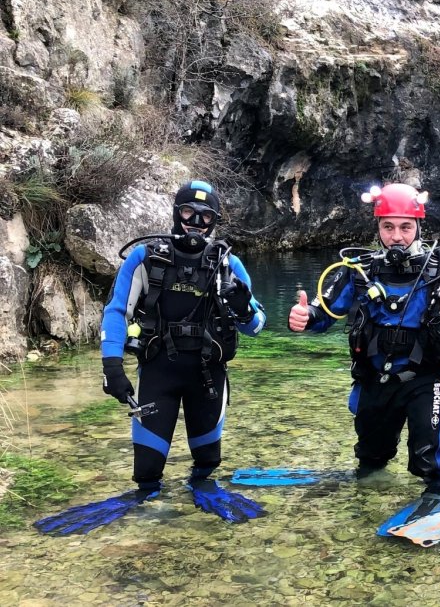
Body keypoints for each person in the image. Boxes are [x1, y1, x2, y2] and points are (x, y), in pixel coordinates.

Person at [36, 181, 268, 535]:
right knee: (146, 472)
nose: (196, 222)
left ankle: (202, 489)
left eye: (206, 216)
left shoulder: (228, 265)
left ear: (215, 222)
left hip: (207, 378)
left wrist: (241, 303)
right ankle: (144, 504)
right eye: (189, 212)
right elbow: (116, 312)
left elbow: (256, 325)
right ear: (176, 213)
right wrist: (112, 366)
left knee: (207, 462)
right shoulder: (145, 258)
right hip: (158, 374)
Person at [287, 183, 440, 497]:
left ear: (419, 228)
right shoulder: (358, 272)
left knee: (426, 458)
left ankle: (438, 494)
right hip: (375, 378)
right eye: (388, 227)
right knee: (371, 454)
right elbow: (323, 312)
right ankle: (366, 498)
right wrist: (305, 317)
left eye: (406, 227)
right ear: (378, 228)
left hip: (424, 379)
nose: (396, 236)